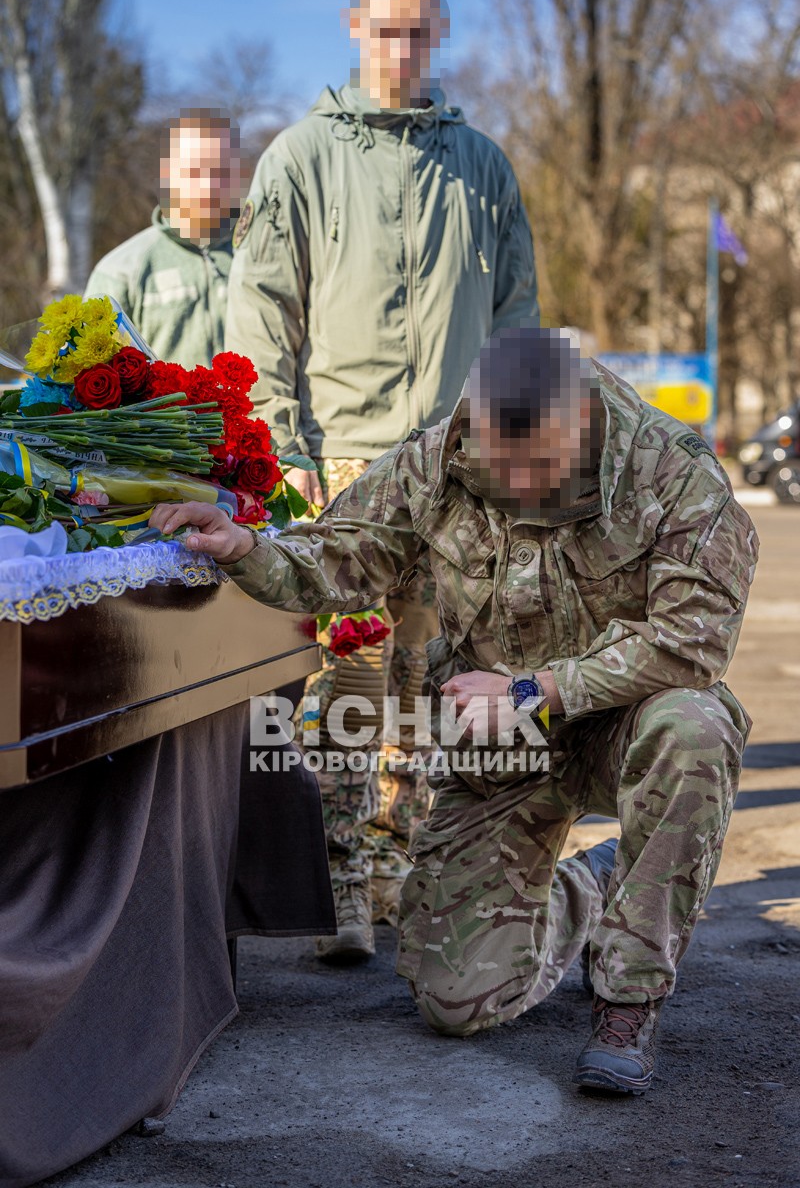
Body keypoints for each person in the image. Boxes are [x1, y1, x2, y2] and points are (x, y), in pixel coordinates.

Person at [150, 325, 758, 1094]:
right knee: (456, 1002)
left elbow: (693, 639)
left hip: (624, 724)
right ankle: (593, 886)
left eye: (535, 463)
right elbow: (342, 556)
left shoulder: (670, 472)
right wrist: (248, 549)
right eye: (493, 460)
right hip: (498, 745)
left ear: (580, 419)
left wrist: (538, 692)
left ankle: (627, 999)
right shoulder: (443, 456)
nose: (511, 482)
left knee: (696, 724)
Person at [225, 0, 539, 959]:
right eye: (385, 28)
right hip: (347, 459)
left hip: (454, 468)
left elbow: (515, 320)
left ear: (436, 33)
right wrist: (287, 447)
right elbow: (262, 309)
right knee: (350, 680)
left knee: (425, 684)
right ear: (355, 29)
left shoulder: (479, 165)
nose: (401, 46)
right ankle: (342, 898)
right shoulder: (302, 159)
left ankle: (401, 880)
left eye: (418, 29)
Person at [85, 108, 242, 366]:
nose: (208, 185)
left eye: (220, 171)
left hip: (254, 407)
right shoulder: (120, 269)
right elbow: (91, 368)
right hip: (170, 407)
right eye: (194, 171)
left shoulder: (255, 253)